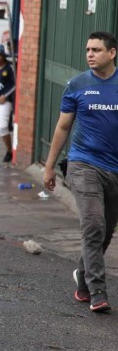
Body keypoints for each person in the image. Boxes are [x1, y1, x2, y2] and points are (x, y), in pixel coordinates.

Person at [43, 31, 118, 313]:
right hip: (83, 163)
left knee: (106, 230)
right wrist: (49, 166)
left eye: (96, 50)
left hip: (115, 168)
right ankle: (98, 291)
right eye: (87, 49)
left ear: (112, 53)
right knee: (94, 225)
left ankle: (83, 276)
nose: (89, 54)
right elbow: (63, 127)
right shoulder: (77, 84)